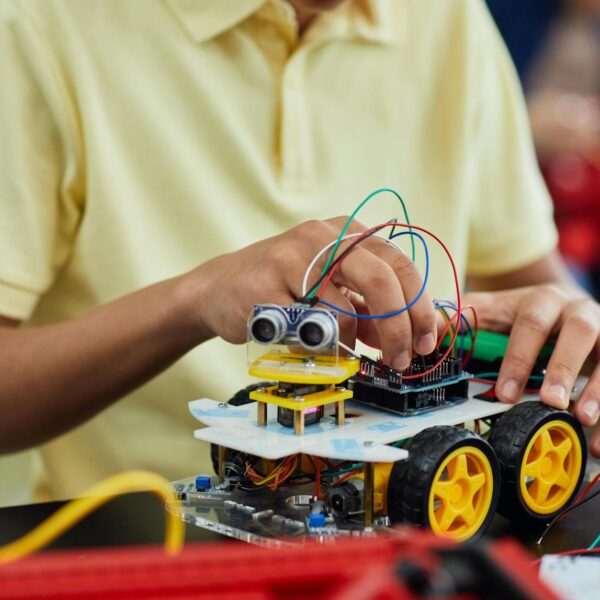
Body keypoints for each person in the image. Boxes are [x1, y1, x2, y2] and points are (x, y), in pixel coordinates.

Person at [0, 0, 599, 505]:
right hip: (138, 548)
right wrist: (198, 298)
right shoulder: (41, 24)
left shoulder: (447, 17)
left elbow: (533, 288)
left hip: (410, 551)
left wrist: (573, 329)